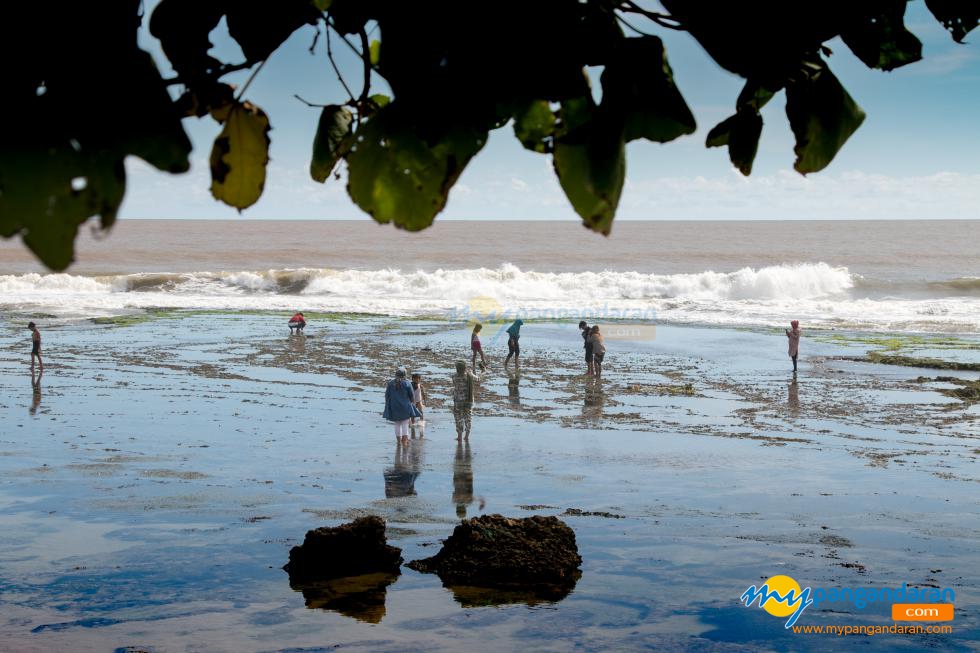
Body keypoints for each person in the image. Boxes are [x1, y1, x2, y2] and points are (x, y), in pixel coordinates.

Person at [383, 367, 421, 444]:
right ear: (405, 375)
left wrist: (388, 404)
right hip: (405, 407)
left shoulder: (391, 383)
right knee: (405, 424)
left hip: (394, 406)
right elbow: (412, 396)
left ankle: (398, 441)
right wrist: (412, 404)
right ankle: (404, 441)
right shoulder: (407, 383)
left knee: (397, 424)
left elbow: (387, 395)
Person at [451, 360, 477, 440]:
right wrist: (472, 373)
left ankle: (459, 437)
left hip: (458, 401)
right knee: (468, 418)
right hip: (468, 401)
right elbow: (477, 379)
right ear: (464, 368)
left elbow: (454, 383)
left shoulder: (454, 376)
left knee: (458, 418)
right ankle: (466, 436)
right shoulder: (469, 376)